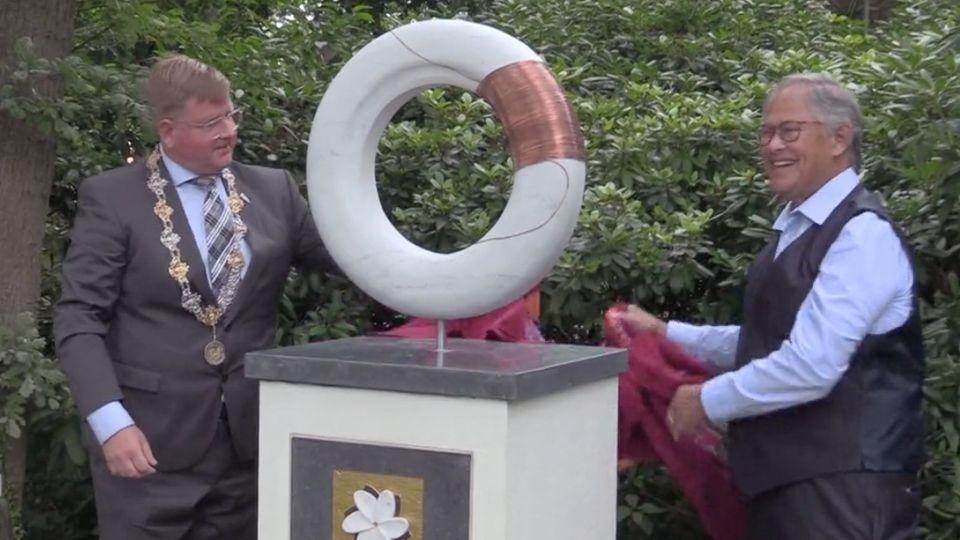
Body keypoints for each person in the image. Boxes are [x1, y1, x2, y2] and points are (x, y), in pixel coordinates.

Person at [617, 73, 924, 539]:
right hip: (788, 488)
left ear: (840, 138)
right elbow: (771, 339)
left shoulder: (862, 235)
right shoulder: (797, 227)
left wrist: (707, 399)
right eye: (765, 133)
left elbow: (811, 364)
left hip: (844, 494)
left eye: (789, 131)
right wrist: (668, 334)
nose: (772, 145)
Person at [54, 54, 337, 539]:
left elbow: (354, 259)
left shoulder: (274, 190)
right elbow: (79, 319)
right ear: (168, 132)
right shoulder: (114, 198)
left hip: (245, 449)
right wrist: (110, 423)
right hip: (146, 450)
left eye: (230, 115)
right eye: (210, 124)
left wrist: (445, 280)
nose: (229, 131)